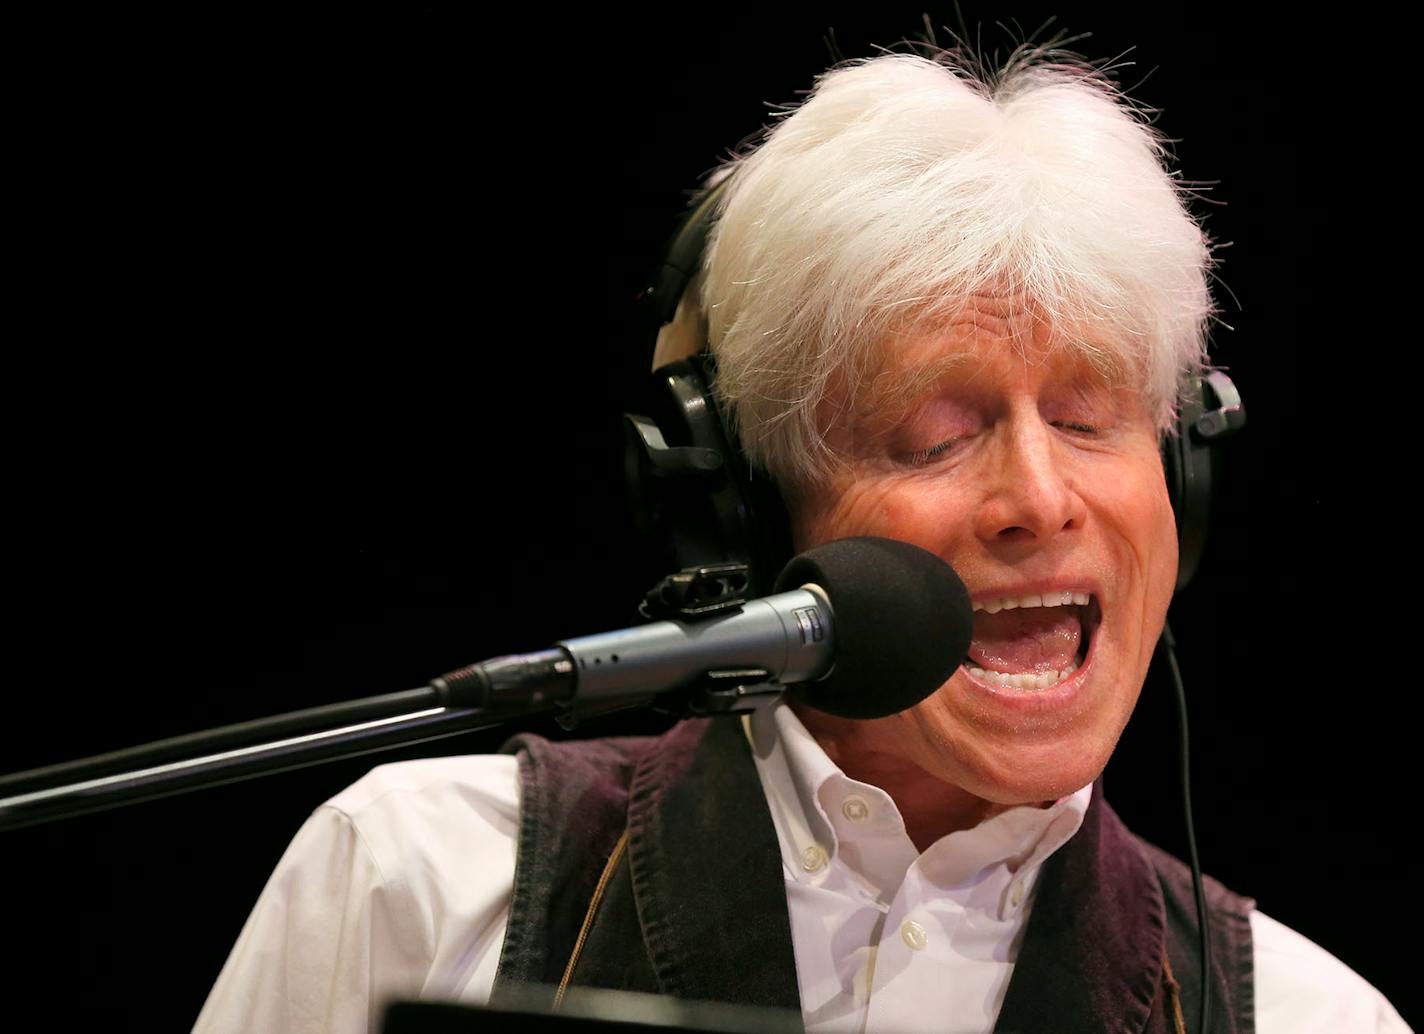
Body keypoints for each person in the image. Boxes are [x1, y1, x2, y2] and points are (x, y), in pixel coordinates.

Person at [194, 48, 1410, 1034]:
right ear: (751, 507)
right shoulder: (414, 884)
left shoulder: (1312, 1020)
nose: (1038, 499)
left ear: (1181, 479)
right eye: (933, 436)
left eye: (1092, 419)